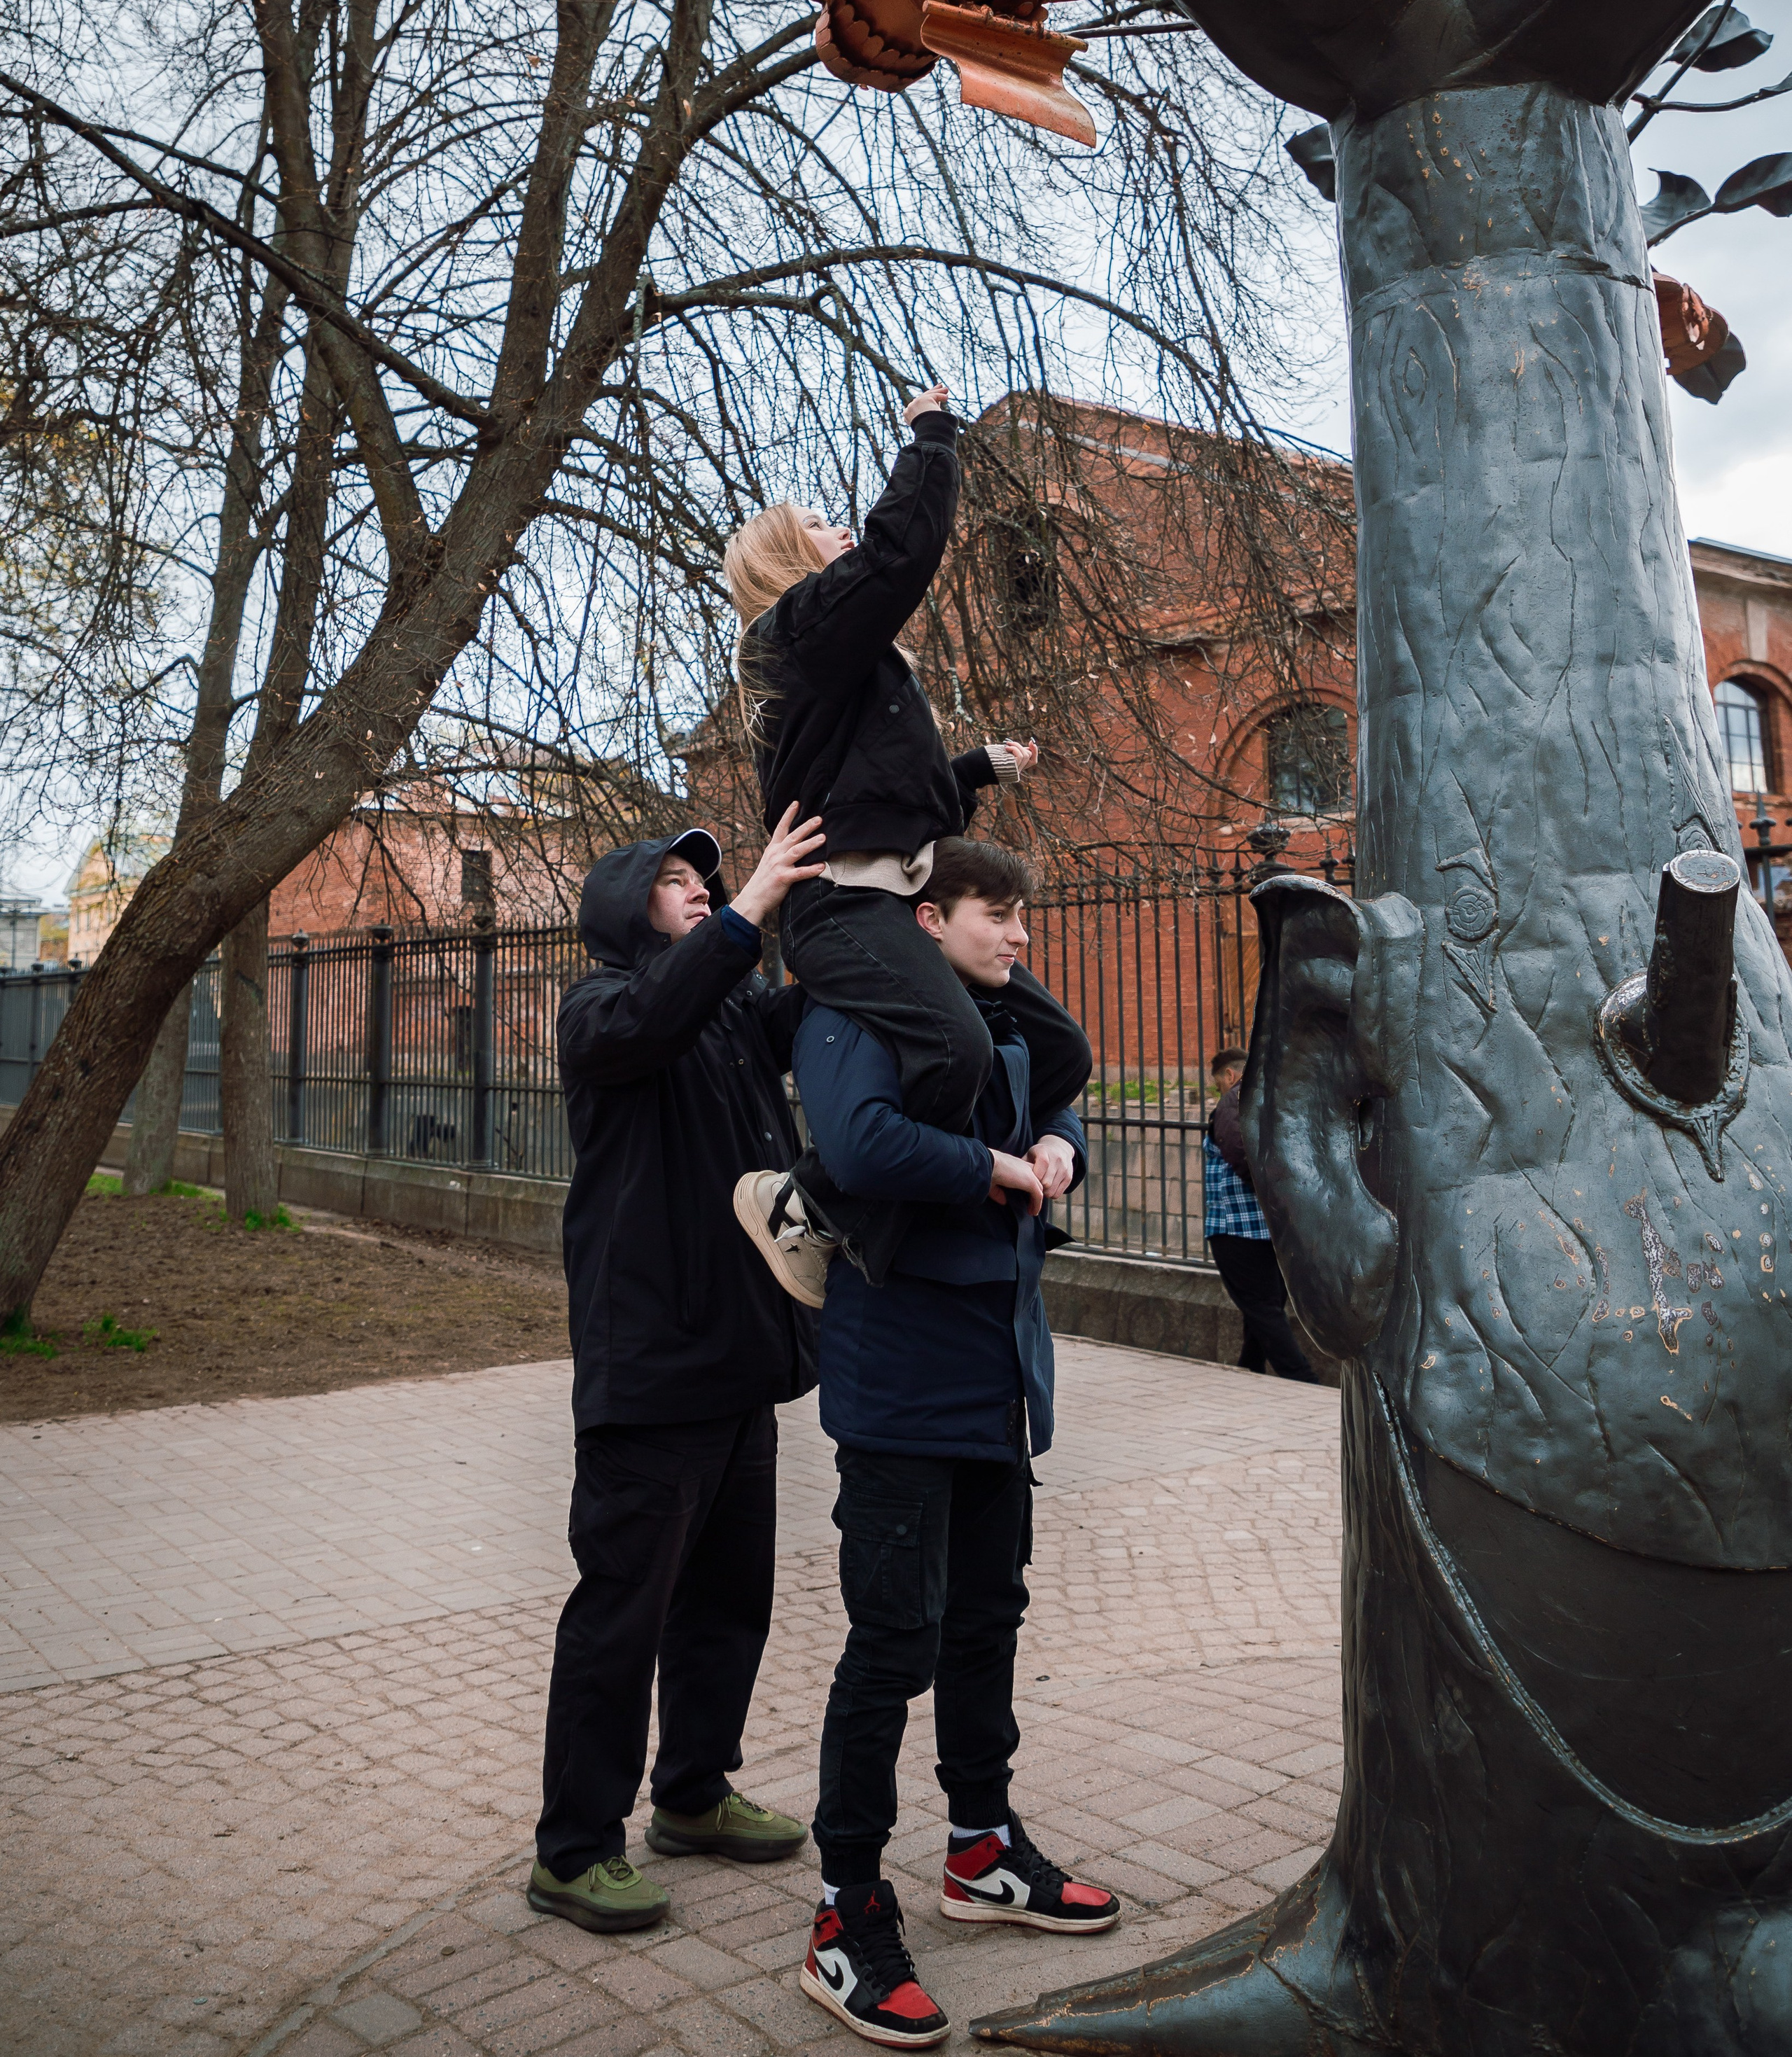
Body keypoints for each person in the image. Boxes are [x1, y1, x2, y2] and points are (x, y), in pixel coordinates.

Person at [787, 837, 1120, 2049]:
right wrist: (989, 1166)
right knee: (893, 1645)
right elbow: (864, 1143)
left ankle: (981, 1853)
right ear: (926, 917)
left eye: (1025, 913)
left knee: (987, 1620)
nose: (1020, 932)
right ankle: (844, 1913)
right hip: (899, 1390)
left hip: (995, 1385)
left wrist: (1062, 1145)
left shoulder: (982, 1015)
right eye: (998, 913)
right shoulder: (853, 1011)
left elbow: (1061, 1087)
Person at [528, 806, 829, 1936]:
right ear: (621, 908)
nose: (703, 885)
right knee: (622, 1614)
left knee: (725, 1605)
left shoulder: (732, 1017)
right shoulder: (600, 1009)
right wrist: (750, 908)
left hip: (739, 1366)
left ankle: (694, 1796)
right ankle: (572, 1851)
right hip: (649, 1375)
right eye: (675, 879)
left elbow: (808, 1002)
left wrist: (857, 900)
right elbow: (662, 1008)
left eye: (709, 878)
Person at [722, 382, 1092, 1298]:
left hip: (892, 892)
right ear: (782, 557)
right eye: (819, 522)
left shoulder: (841, 666)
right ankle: (808, 1202)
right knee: (958, 1048)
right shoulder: (794, 635)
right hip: (842, 909)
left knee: (1064, 1048)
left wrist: (972, 769)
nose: (839, 528)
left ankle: (856, 1197)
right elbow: (899, 555)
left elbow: (885, 796)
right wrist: (930, 439)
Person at [1203, 1047, 1320, 1383]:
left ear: (1229, 1075)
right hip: (1269, 1227)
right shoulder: (1273, 1099)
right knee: (1265, 1304)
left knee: (1262, 1307)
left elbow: (1240, 1151)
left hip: (1234, 1225)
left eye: (1218, 1084)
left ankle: (1302, 1378)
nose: (1220, 1091)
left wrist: (1271, 1190)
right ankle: (1248, 1367)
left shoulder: (1234, 1101)